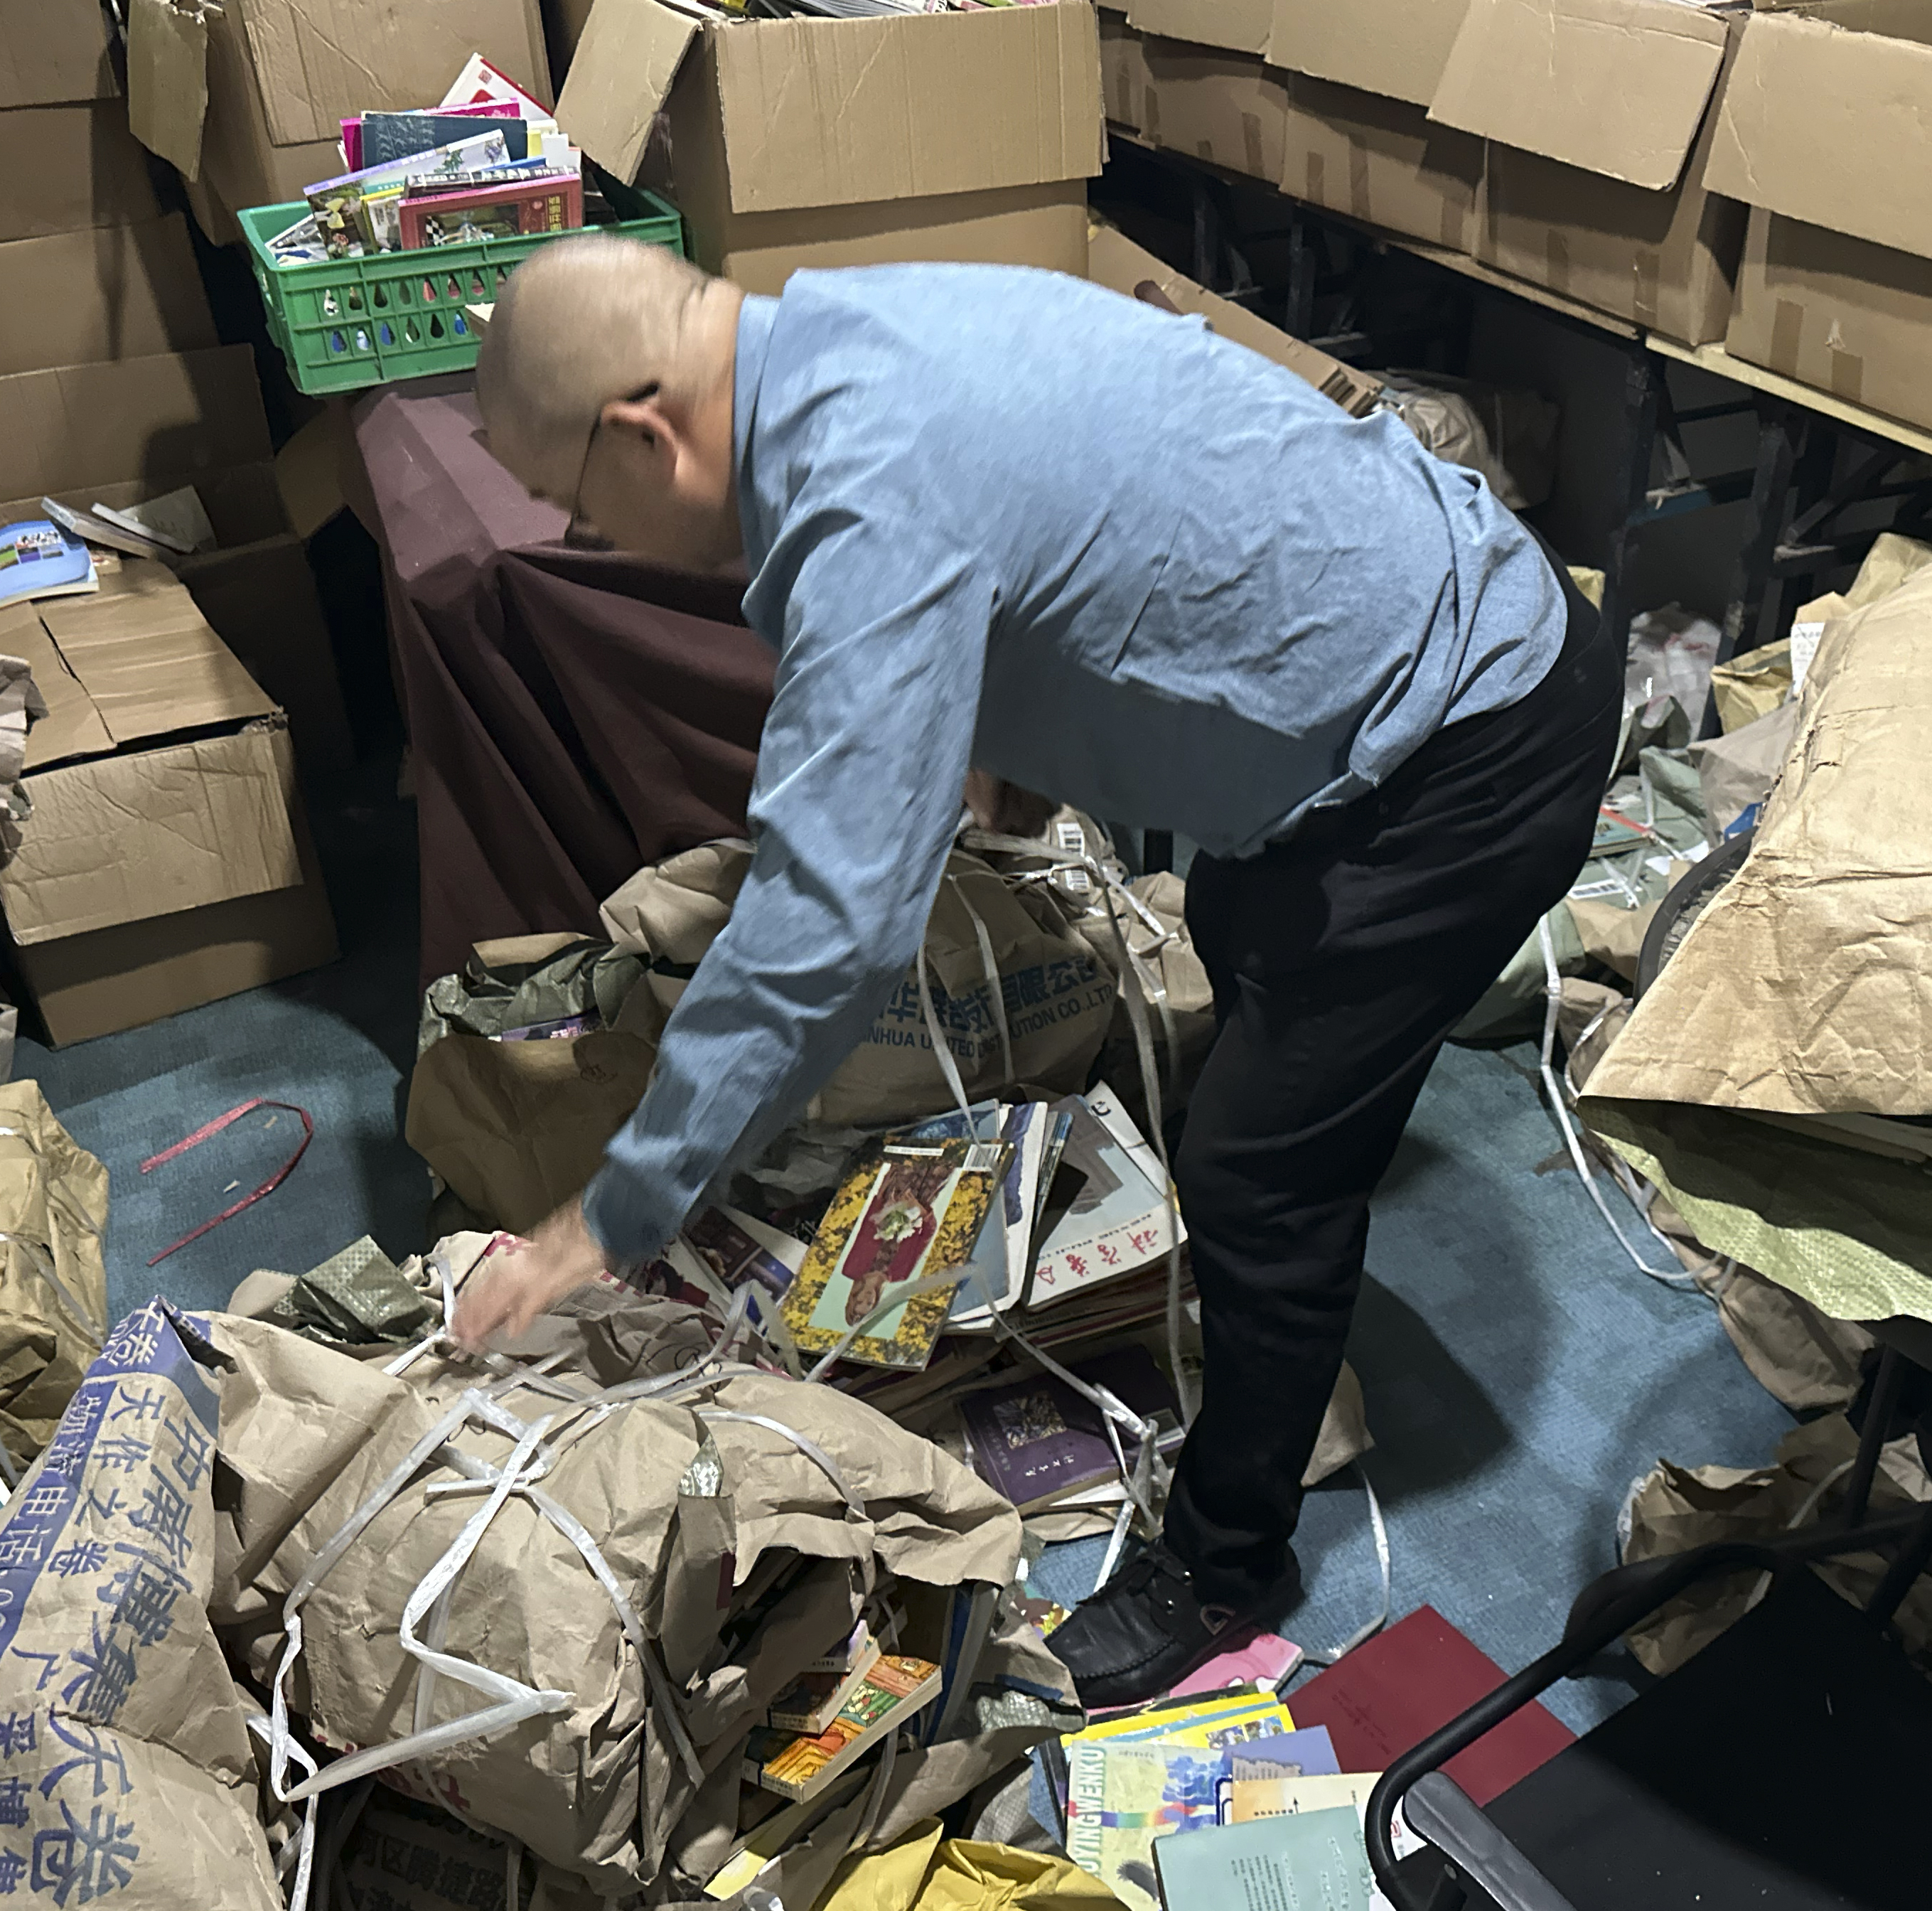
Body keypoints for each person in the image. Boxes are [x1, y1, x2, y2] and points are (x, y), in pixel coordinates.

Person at [455, 237, 1618, 1708]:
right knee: (1246, 945)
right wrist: (990, 723)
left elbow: (828, 925)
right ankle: (1270, 1236)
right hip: (1408, 628)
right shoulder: (836, 332)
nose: (598, 538)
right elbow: (1060, 489)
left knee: (1259, 1170)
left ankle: (1226, 1560)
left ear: (645, 433)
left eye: (579, 505)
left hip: (1474, 735)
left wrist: (608, 1220)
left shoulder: (862, 496)